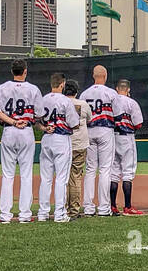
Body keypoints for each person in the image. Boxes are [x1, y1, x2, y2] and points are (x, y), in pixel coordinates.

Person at [0, 60, 40, 224]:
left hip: (9, 131)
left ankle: (5, 215)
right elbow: (39, 113)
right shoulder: (33, 89)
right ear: (25, 71)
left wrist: (12, 121)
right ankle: (25, 215)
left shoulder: (3, 87)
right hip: (26, 131)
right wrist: (26, 119)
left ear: (13, 71)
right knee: (26, 174)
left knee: (8, 174)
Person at [36, 72, 79, 223]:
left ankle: (43, 213)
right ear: (62, 84)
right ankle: (60, 214)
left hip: (47, 139)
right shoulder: (66, 101)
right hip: (61, 139)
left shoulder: (43, 99)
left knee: (46, 178)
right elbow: (74, 123)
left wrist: (44, 128)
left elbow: (36, 120)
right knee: (62, 179)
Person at [80, 66, 118, 217]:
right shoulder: (111, 93)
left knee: (90, 169)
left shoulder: (84, 93)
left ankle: (88, 208)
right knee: (104, 170)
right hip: (105, 130)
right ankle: (103, 208)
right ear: (105, 76)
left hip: (89, 131)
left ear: (93, 76)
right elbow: (117, 113)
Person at [111, 79, 145, 215]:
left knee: (113, 174)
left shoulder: (111, 102)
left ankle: (112, 206)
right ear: (128, 90)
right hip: (126, 137)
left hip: (112, 137)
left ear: (116, 88)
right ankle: (127, 206)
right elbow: (138, 124)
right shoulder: (132, 103)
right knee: (127, 173)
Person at [63, 80, 93, 217]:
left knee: (62, 177)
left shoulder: (60, 102)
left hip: (63, 142)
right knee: (76, 176)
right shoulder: (83, 104)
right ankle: (73, 210)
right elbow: (89, 120)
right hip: (80, 143)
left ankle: (61, 209)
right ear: (76, 91)